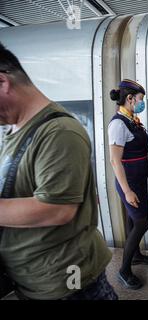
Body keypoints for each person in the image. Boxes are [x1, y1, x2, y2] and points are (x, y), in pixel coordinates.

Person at [0, 42, 116, 300]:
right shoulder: (12, 130)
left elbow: (57, 209)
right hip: (32, 281)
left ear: (3, 82)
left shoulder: (59, 132)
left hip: (67, 286)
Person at [109, 79, 148, 290]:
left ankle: (136, 255)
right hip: (129, 183)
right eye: (140, 99)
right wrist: (127, 191)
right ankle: (124, 271)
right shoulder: (118, 123)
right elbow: (114, 160)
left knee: (132, 219)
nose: (141, 103)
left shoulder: (131, 119)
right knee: (141, 223)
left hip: (138, 179)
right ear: (130, 99)